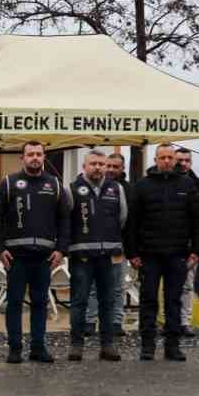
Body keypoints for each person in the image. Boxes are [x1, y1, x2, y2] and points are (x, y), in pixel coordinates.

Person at [0, 140, 71, 364]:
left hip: (44, 257)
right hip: (16, 257)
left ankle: (38, 347)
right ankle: (15, 348)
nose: (35, 158)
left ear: (44, 157)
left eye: (38, 154)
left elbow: (65, 220)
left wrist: (61, 250)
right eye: (30, 154)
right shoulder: (9, 183)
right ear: (22, 158)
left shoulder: (54, 185)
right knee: (14, 303)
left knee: (40, 302)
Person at [124, 143, 199, 362]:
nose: (166, 161)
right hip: (149, 254)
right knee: (148, 300)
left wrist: (196, 250)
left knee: (173, 301)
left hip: (178, 254)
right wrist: (132, 253)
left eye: (170, 157)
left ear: (175, 160)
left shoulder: (187, 185)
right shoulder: (142, 185)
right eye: (162, 157)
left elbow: (197, 220)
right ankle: (147, 346)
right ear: (155, 160)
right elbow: (132, 222)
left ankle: (172, 346)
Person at [65, 150, 128, 362]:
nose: (98, 167)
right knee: (79, 301)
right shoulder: (72, 190)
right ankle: (76, 345)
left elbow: (122, 218)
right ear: (84, 166)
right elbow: (66, 222)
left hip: (108, 256)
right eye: (93, 163)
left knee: (108, 301)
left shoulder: (116, 189)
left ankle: (107, 345)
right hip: (81, 256)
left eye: (101, 163)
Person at [84, 151, 129, 338]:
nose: (108, 169)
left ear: (122, 168)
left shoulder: (122, 188)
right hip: (89, 246)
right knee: (92, 287)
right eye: (106, 165)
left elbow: (123, 218)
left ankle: (116, 322)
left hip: (116, 246)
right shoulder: (79, 188)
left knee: (117, 287)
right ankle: (90, 321)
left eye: (113, 166)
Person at [175, 147, 199, 338]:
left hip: (192, 244)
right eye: (179, 160)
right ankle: (170, 320)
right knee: (170, 285)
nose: (183, 164)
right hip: (169, 243)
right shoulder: (167, 183)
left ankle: (185, 321)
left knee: (187, 285)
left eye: (187, 160)